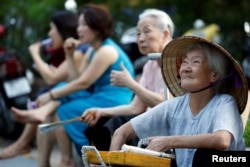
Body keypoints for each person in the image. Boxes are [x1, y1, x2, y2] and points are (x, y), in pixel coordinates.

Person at [10, 4, 135, 167]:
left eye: (84, 24)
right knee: (61, 105)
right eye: (79, 24)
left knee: (64, 109)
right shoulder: (92, 50)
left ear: (97, 27)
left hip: (113, 100)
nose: (79, 29)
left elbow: (83, 83)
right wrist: (69, 56)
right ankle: (65, 159)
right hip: (98, 96)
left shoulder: (107, 51)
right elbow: (78, 78)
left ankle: (76, 159)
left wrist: (51, 95)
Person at [110, 36, 248, 167]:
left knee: (205, 155)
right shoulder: (174, 106)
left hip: (231, 161)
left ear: (214, 75)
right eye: (185, 62)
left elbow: (221, 140)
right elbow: (120, 133)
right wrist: (110, 162)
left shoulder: (224, 102)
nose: (186, 68)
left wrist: (170, 141)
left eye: (196, 62)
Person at [0, 10, 89, 160]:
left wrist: (35, 53)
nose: (49, 34)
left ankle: (61, 159)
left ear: (63, 30)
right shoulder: (71, 49)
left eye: (52, 29)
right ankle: (41, 158)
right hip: (73, 95)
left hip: (90, 98)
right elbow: (67, 77)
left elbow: (52, 79)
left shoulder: (80, 50)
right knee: (47, 112)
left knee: (52, 103)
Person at [82, 8, 175, 150]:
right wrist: (101, 111)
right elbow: (135, 107)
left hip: (168, 128)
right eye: (138, 34)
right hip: (150, 121)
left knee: (117, 125)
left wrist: (130, 84)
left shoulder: (175, 60)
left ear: (165, 34)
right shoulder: (150, 64)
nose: (141, 38)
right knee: (101, 122)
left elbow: (165, 104)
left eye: (146, 31)